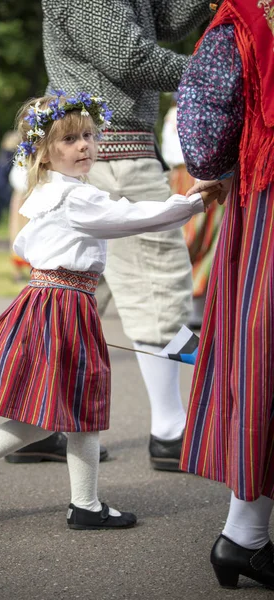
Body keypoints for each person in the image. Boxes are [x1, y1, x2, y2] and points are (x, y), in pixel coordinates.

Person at [0, 92, 219, 529]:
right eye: (69, 140)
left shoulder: (55, 192)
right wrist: (192, 203)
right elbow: (134, 217)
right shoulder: (75, 199)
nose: (84, 145)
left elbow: (33, 243)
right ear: (44, 154)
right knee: (75, 404)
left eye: (88, 135)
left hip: (54, 301)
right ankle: (74, 502)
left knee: (63, 409)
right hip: (63, 305)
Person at [20, 0, 212, 471]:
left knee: (70, 296)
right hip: (112, 153)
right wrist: (218, 73)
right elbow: (129, 56)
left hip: (101, 154)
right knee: (156, 286)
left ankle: (43, 423)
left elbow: (165, 18)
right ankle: (170, 431)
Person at [177, 0, 274, 590]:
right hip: (267, 198)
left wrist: (219, 163)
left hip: (263, 196)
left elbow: (204, 129)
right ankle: (245, 535)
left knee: (264, 356)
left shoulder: (242, 21)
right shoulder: (243, 23)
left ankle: (245, 534)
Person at [161, 95, 225, 329]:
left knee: (202, 238)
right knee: (195, 238)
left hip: (192, 174)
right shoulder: (182, 114)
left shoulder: (184, 114)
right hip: (189, 174)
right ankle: (185, 305)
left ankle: (195, 307)